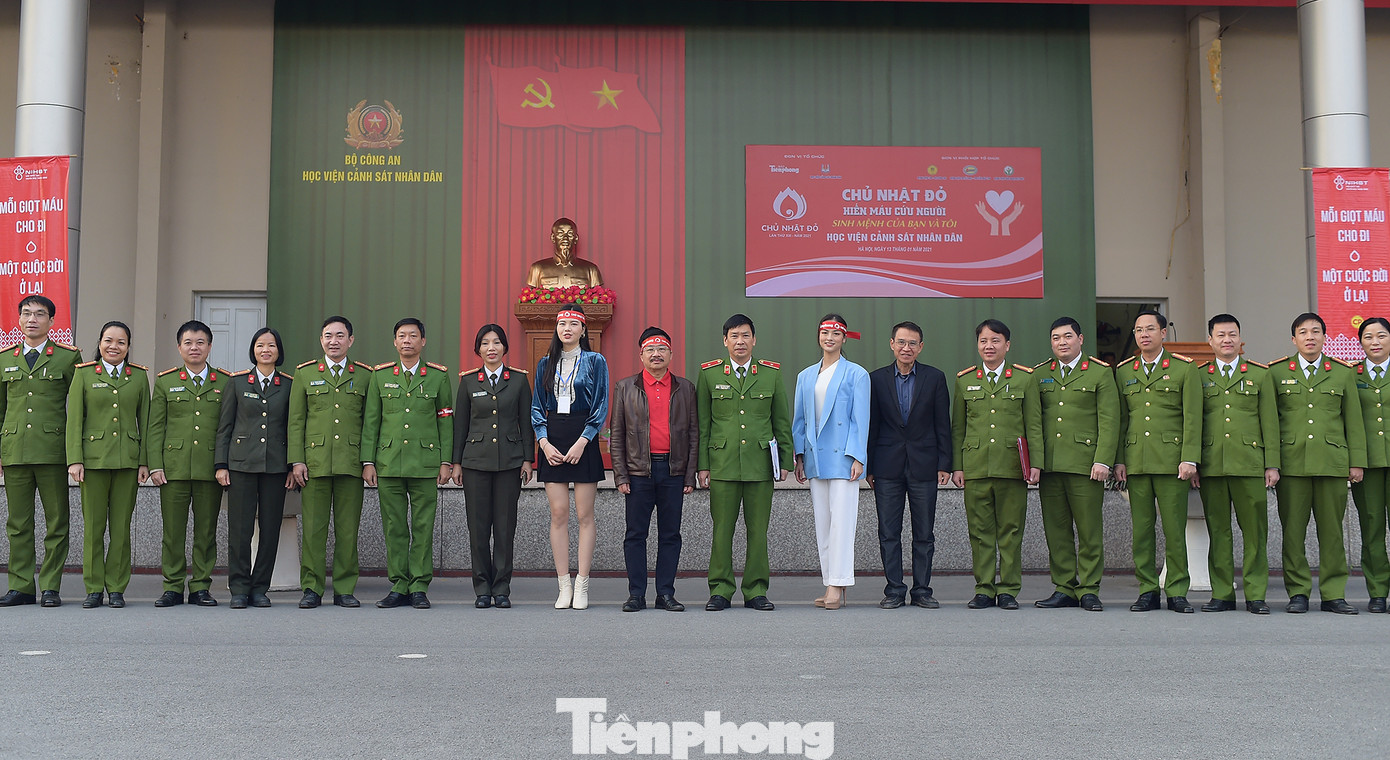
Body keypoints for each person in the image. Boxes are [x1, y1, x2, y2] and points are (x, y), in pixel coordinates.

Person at [696, 313, 793, 612]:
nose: (740, 341)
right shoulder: (710, 374)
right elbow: (703, 425)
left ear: (754, 339)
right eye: (734, 336)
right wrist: (703, 465)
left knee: (758, 530)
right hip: (722, 462)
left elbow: (781, 421)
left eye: (745, 335)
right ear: (725, 341)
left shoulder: (771, 373)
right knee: (721, 529)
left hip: (760, 463)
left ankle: (756, 590)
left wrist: (785, 460)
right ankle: (720, 590)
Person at [1270, 312, 1365, 614]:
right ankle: (1298, 592)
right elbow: (1271, 423)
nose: (1309, 337)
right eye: (1303, 332)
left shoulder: (1341, 373)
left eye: (1315, 332)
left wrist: (1356, 462)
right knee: (1293, 532)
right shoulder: (1277, 372)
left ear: (1325, 337)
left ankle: (1333, 593)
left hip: (1332, 463)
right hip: (1292, 464)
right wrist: (1272, 463)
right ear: (1293, 338)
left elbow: (1354, 421)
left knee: (1332, 533)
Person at [950, 319, 1042, 610]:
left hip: (1012, 467)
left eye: (995, 341)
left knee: (1011, 531)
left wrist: (1035, 464)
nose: (989, 346)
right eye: (983, 341)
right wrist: (958, 466)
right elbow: (958, 427)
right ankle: (984, 588)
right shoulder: (964, 380)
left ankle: (1008, 590)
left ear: (1007, 345)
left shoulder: (1025, 379)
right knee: (979, 531)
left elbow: (1034, 425)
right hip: (976, 467)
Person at [362, 317, 454, 610]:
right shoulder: (380, 376)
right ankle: (399, 584)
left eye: (413, 336)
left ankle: (419, 586)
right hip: (388, 463)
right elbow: (371, 422)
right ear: (394, 341)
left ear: (422, 341)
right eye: (401, 335)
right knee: (395, 526)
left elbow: (446, 422)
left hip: (426, 463)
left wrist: (445, 461)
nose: (407, 341)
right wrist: (368, 461)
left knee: (424, 526)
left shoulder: (438, 377)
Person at [1114, 310, 1201, 614]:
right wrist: (1120, 459)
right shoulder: (1124, 371)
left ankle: (1177, 590)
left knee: (1174, 530)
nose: (1144, 334)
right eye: (1138, 330)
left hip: (1171, 462)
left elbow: (1192, 416)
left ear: (1163, 333)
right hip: (1136, 461)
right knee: (1142, 530)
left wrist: (1189, 458)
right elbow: (1122, 418)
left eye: (1150, 329)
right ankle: (1148, 589)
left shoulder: (1183, 369)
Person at [1194, 314, 1279, 614]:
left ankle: (1255, 594)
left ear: (1240, 339)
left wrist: (1272, 464)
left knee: (1255, 532)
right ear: (1210, 340)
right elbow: (1193, 422)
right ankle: (1222, 594)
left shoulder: (1260, 375)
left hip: (1250, 464)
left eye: (1232, 334)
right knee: (1218, 532)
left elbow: (1270, 422)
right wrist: (1194, 463)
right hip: (1212, 465)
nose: (1226, 340)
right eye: (1220, 335)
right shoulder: (1199, 375)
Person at [1032, 317, 1117, 612]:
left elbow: (1109, 420)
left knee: (1089, 530)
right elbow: (1034, 422)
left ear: (1080, 339)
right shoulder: (1041, 374)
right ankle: (1064, 586)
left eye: (1067, 336)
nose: (1062, 342)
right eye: (1056, 338)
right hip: (1051, 466)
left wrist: (1103, 459)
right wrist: (1035, 462)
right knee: (1056, 531)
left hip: (1086, 465)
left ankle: (1089, 588)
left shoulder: (1099, 373)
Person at [0, 295, 81, 608]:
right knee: (18, 523)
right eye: (26, 314)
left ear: (51, 321)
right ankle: (20, 585)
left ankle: (50, 586)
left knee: (56, 522)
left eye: (39, 314)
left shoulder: (67, 357)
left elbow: (77, 408)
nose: (32, 319)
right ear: (19, 320)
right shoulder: (5, 358)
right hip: (15, 449)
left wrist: (75, 454)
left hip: (53, 450)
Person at [287, 316, 374, 609]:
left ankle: (344, 588)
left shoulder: (364, 375)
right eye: (328, 336)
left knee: (348, 529)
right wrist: (296, 460)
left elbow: (369, 422)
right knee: (313, 529)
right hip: (315, 462)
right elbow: (296, 420)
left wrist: (367, 460)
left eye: (340, 336)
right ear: (321, 340)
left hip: (351, 463)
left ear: (351, 340)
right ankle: (311, 588)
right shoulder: (305, 374)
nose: (333, 341)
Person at [610, 326, 697, 613]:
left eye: (662, 349)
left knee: (670, 535)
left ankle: (665, 594)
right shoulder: (625, 387)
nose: (656, 354)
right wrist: (621, 475)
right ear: (641, 355)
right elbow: (617, 434)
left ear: (671, 354)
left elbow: (694, 433)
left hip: (673, 471)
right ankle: (636, 594)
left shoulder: (685, 388)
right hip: (638, 473)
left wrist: (689, 474)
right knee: (636, 535)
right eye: (650, 350)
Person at [866, 321, 951, 610]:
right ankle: (894, 590)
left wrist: (944, 463)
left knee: (924, 533)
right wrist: (869, 467)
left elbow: (943, 424)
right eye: (901, 342)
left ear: (921, 347)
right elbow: (872, 425)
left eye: (912, 343)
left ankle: (922, 590)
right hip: (887, 466)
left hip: (924, 465)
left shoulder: (934, 378)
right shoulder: (875, 379)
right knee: (889, 532)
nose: (906, 348)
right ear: (892, 344)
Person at [531, 304, 609, 610]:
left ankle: (582, 583)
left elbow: (601, 404)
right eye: (562, 323)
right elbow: (538, 405)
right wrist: (544, 443)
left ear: (583, 329)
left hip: (583, 436)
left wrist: (583, 442)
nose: (567, 329)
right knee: (559, 513)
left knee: (584, 515)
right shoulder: (544, 363)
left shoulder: (595, 361)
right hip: (553, 436)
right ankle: (563, 583)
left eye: (573, 324)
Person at [451, 324, 534, 610]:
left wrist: (527, 459)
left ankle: (502, 588)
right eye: (485, 343)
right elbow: (460, 425)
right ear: (478, 349)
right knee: (478, 527)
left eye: (496, 342)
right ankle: (482, 587)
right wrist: (457, 463)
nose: (491, 348)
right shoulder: (468, 381)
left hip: (510, 462)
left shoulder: (520, 381)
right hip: (475, 462)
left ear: (504, 348)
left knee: (504, 527)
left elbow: (527, 422)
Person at [147, 320, 229, 608]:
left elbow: (227, 428)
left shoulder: (224, 381)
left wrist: (224, 464)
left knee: (206, 532)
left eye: (200, 343)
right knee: (173, 532)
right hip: (174, 468)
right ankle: (172, 587)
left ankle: (200, 587)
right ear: (179, 347)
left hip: (210, 469)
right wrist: (155, 465)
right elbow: (155, 427)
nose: (194, 348)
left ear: (209, 346)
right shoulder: (166, 381)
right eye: (188, 343)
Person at [66, 321, 147, 609]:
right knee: (94, 528)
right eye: (109, 340)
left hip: (127, 461)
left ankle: (116, 588)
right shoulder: (85, 374)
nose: (114, 346)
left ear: (128, 346)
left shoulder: (138, 377)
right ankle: (93, 587)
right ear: (100, 343)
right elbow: (74, 419)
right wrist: (74, 459)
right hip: (93, 460)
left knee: (121, 527)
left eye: (121, 342)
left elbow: (145, 422)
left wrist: (144, 462)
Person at [792, 315, 870, 610]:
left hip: (843, 458)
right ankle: (831, 580)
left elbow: (859, 420)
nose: (829, 338)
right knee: (823, 522)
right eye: (825, 332)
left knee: (842, 524)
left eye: (835, 333)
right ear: (818, 336)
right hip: (815, 458)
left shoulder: (857, 374)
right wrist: (799, 455)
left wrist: (858, 457)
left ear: (844, 338)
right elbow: (800, 420)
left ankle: (836, 584)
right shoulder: (806, 376)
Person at [215, 327, 295, 609]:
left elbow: (293, 427)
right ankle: (239, 587)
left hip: (275, 466)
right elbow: (224, 426)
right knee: (240, 529)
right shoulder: (237, 383)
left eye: (271, 345)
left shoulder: (288, 385)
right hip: (240, 465)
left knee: (270, 528)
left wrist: (291, 466)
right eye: (260, 345)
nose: (265, 350)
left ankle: (260, 587)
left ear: (278, 351)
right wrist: (221, 464)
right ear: (253, 350)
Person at [1353, 316, 1390, 613]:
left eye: (1381, 336)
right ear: (1360, 342)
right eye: (1368, 337)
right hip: (1367, 464)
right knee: (1372, 528)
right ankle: (1378, 591)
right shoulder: (1351, 375)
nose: (1375, 342)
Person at [525, 217, 604, 289]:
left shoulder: (591, 270)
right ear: (553, 238)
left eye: (570, 234)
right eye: (560, 234)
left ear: (576, 238)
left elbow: (598, 298)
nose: (565, 238)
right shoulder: (537, 269)